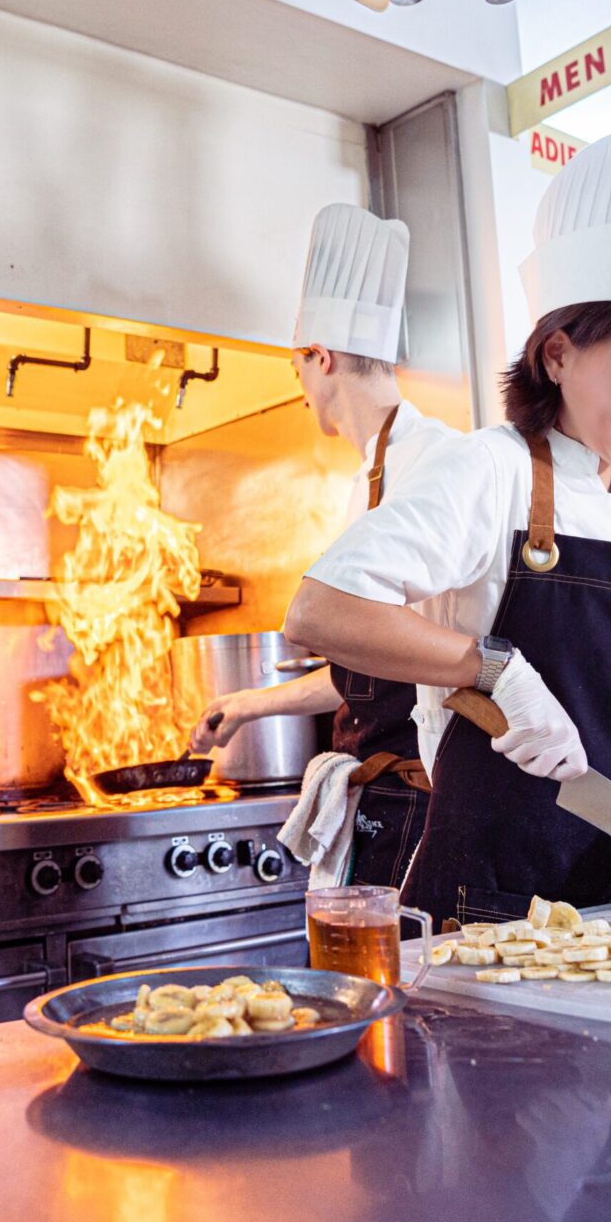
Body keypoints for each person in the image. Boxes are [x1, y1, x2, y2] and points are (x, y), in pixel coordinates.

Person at [283, 127, 611, 923]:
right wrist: (497, 671)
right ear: (557, 354)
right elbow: (321, 609)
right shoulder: (493, 469)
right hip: (491, 908)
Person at [190, 202, 452, 886]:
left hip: (429, 802)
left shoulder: (438, 465)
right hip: (385, 800)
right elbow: (376, 669)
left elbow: (435, 659)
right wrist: (251, 704)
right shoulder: (366, 480)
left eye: (298, 370)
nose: (302, 390)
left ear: (322, 359)